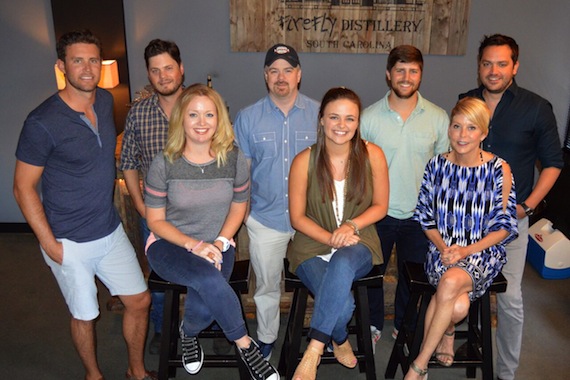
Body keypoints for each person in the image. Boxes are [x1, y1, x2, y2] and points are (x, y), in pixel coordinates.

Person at [13, 30, 156, 380]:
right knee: (85, 315)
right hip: (69, 242)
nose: (88, 68)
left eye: (94, 60)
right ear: (62, 66)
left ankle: (136, 371)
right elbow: (23, 188)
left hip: (108, 230)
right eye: (78, 60)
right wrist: (50, 245)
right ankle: (93, 374)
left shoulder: (105, 101)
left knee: (140, 301)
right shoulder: (41, 122)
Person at [144, 84, 279, 380]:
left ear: (220, 119)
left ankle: (188, 333)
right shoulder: (164, 162)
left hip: (219, 241)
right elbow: (155, 221)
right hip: (170, 244)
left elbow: (239, 205)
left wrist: (219, 241)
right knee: (208, 278)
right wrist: (194, 245)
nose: (202, 122)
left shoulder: (232, 158)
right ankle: (246, 345)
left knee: (207, 285)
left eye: (209, 114)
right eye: (193, 114)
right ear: (181, 118)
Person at [459, 34, 563, 380]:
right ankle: (465, 344)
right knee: (462, 285)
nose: (493, 70)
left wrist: (528, 205)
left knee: (510, 299)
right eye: (487, 63)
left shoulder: (536, 107)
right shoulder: (466, 101)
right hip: (468, 220)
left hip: (510, 223)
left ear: (515, 66)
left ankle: (506, 371)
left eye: (502, 63)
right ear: (479, 66)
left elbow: (552, 164)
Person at [405, 97, 519, 379]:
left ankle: (418, 365)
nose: (462, 135)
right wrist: (444, 248)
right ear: (449, 129)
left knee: (452, 281)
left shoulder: (498, 169)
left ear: (483, 132)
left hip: (482, 252)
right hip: (441, 251)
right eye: (457, 126)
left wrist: (465, 251)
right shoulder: (436, 166)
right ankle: (447, 330)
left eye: (471, 128)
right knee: (457, 304)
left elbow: (503, 227)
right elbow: (425, 218)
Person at [287, 87, 389, 379]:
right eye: (334, 117)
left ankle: (313, 350)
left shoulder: (374, 155)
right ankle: (340, 337)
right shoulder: (303, 161)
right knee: (342, 306)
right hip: (311, 246)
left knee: (343, 261)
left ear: (358, 123)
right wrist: (330, 237)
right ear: (321, 120)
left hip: (359, 242)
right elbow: (297, 218)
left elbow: (381, 206)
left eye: (350, 119)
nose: (341, 125)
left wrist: (350, 227)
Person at [360, 45, 449, 348]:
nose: (406, 76)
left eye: (413, 70)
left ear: (421, 75)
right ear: (389, 74)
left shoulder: (438, 118)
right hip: (378, 213)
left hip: (419, 216)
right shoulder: (368, 118)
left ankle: (403, 326)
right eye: (400, 70)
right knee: (372, 274)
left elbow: (443, 171)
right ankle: (372, 325)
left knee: (413, 279)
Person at [234, 43, 319, 359]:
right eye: (273, 71)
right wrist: (243, 217)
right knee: (267, 288)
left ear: (299, 74)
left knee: (321, 281)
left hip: (310, 221)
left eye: (287, 70)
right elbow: (241, 172)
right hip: (265, 219)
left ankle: (320, 336)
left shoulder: (320, 114)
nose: (280, 77)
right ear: (265, 76)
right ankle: (267, 340)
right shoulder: (247, 118)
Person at [120, 38, 185, 354]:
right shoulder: (138, 114)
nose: (163, 76)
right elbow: (129, 162)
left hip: (201, 212)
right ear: (149, 74)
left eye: (168, 68)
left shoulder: (203, 107)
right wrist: (138, 204)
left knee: (209, 271)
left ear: (181, 69)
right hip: (156, 214)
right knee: (159, 277)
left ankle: (213, 327)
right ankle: (162, 329)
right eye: (155, 70)